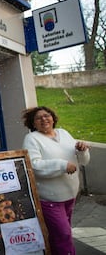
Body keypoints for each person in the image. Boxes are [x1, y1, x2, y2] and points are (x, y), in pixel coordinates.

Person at [21, 106, 90, 255]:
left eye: (47, 116)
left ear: (53, 118)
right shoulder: (32, 139)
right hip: (49, 199)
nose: (44, 119)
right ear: (33, 124)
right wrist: (62, 165)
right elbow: (33, 165)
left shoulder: (64, 133)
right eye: (38, 118)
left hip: (70, 196)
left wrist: (82, 150)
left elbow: (83, 161)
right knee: (63, 235)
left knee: (59, 235)